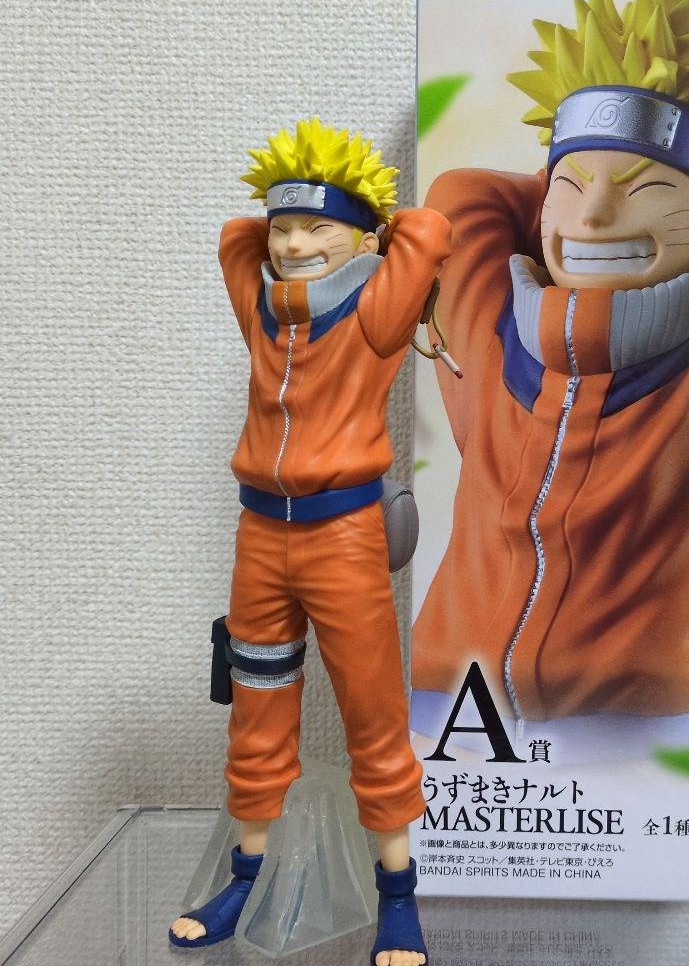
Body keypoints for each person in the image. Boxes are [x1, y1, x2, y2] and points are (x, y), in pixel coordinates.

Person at [411, 0, 689, 757]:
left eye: (650, 190)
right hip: (443, 711)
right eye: (570, 187)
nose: (596, 214)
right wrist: (595, 147)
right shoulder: (495, 337)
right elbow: (460, 194)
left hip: (631, 740)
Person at [170, 118, 449, 966]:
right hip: (260, 537)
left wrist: (377, 230)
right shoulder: (261, 309)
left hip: (345, 536)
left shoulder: (376, 313)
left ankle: (397, 894)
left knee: (373, 711)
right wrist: (299, 205)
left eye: (316, 227)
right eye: (283, 227)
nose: (291, 245)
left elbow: (429, 230)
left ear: (363, 239)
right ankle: (245, 878)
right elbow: (235, 236)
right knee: (257, 707)